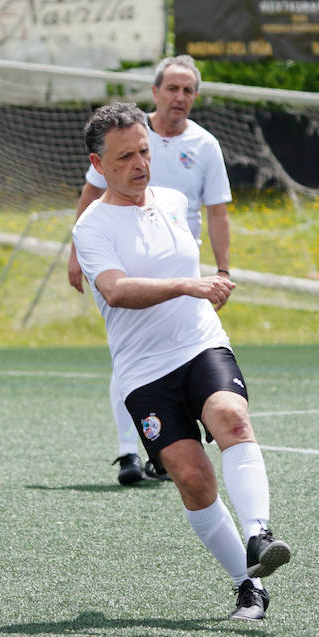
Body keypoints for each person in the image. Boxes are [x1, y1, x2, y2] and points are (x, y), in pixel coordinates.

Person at [72, 101, 290, 621]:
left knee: (231, 417)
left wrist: (211, 278)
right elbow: (118, 291)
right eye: (125, 156)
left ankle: (259, 534)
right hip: (144, 372)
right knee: (193, 478)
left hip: (199, 344)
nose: (141, 164)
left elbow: (215, 213)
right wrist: (189, 284)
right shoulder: (91, 226)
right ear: (98, 165)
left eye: (144, 151)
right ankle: (247, 584)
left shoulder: (171, 199)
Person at [67, 55, 233, 486]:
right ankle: (130, 451)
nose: (180, 97)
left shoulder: (205, 146)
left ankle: (172, 443)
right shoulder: (122, 134)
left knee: (209, 385)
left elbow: (217, 211)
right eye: (172, 88)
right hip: (133, 263)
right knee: (131, 355)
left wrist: (219, 270)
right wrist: (76, 254)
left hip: (182, 264)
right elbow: (91, 193)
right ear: (155, 92)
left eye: (188, 90)